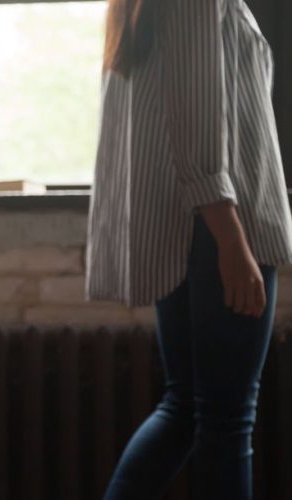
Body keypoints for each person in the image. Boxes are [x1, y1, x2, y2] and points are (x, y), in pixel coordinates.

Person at [87, 0, 292, 498]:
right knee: (225, 419)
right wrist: (231, 239)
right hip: (216, 228)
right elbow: (198, 115)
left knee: (188, 409)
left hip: (194, 229)